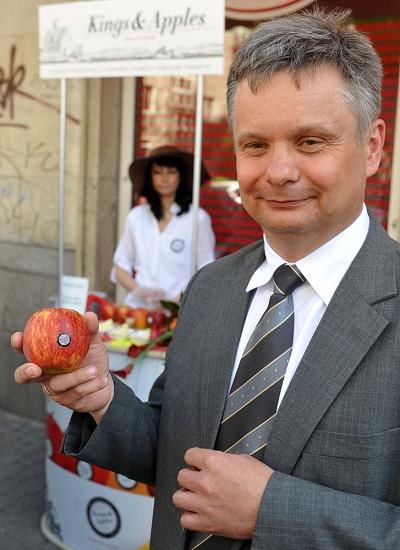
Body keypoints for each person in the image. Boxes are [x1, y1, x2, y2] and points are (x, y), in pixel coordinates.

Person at [12, 8, 400, 549]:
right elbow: (174, 455)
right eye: (256, 145)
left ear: (374, 146)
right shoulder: (211, 289)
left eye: (311, 142)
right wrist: (102, 399)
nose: (279, 171)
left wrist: (272, 511)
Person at [111, 145, 216, 307]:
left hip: (178, 312)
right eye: (157, 172)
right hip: (137, 310)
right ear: (149, 177)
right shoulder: (136, 217)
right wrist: (139, 290)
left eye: (171, 172)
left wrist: (178, 299)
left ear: (181, 176)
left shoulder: (198, 218)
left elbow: (207, 272)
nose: (164, 178)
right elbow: (120, 268)